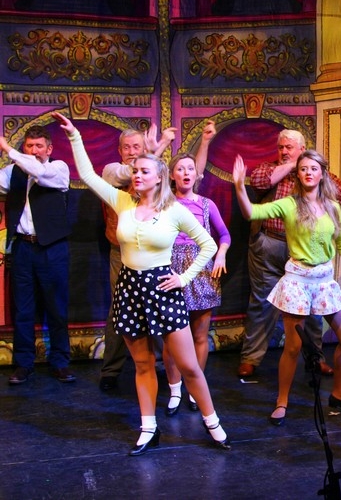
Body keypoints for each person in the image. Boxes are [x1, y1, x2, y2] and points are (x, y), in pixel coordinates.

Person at [55, 112, 230, 455]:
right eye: (135, 171)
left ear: (159, 177)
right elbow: (88, 176)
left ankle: (213, 423)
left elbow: (208, 245)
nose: (136, 175)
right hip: (129, 288)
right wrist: (74, 136)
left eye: (143, 171)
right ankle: (148, 428)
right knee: (143, 364)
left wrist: (183, 277)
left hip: (162, 289)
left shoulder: (174, 210)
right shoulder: (123, 201)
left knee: (188, 366)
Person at [233, 149, 341, 426]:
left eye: (313, 168)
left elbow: (340, 240)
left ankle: (339, 392)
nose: (308, 173)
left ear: (322, 173)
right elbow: (252, 212)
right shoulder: (289, 204)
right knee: (293, 347)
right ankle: (282, 400)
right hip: (298, 280)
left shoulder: (333, 207)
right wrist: (240, 187)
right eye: (303, 169)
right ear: (297, 174)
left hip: (324, 280)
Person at [236, 129, 334, 379]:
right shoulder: (269, 168)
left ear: (302, 148)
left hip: (304, 251)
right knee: (262, 303)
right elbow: (260, 182)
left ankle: (316, 358)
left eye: (290, 147)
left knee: (313, 307)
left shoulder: (313, 173)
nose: (284, 151)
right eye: (281, 147)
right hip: (270, 245)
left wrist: (305, 167)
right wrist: (292, 164)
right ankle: (250, 358)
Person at [98, 123, 177, 391]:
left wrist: (155, 153)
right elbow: (128, 173)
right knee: (119, 309)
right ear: (120, 151)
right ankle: (111, 369)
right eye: (127, 148)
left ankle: (159, 366)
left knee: (156, 306)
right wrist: (157, 149)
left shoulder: (155, 173)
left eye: (137, 147)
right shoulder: (112, 171)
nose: (132, 152)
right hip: (121, 253)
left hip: (153, 254)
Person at [163, 120, 232, 416]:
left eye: (190, 169)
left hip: (201, 268)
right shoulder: (164, 204)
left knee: (200, 334)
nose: (186, 173)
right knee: (171, 336)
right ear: (172, 175)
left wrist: (221, 255)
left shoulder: (206, 204)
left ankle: (195, 386)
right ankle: (174, 389)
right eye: (180, 169)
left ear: (196, 174)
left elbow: (224, 235)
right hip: (170, 268)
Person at [0, 126, 73, 385]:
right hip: (23, 248)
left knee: (56, 307)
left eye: (39, 146)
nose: (33, 151)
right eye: (29, 146)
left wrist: (8, 149)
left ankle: (60, 362)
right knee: (23, 309)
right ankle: (24, 364)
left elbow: (40, 173)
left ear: (49, 148)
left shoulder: (58, 168)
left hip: (52, 248)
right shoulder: (12, 172)